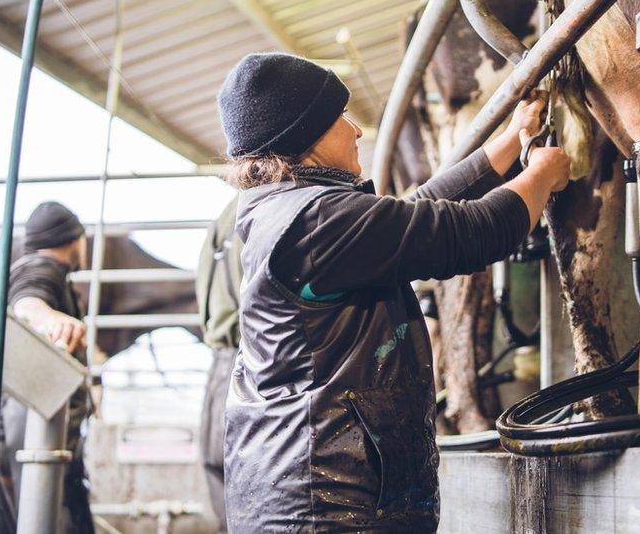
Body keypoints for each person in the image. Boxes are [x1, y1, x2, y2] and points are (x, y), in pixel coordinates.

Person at [218, 53, 570, 532]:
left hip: (311, 497)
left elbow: (412, 213)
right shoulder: (314, 222)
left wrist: (510, 142)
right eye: (339, 117)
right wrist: (544, 174)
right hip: (325, 509)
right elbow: (467, 234)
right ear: (306, 139)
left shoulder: (293, 213)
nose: (356, 129)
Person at [0, 201, 95, 534]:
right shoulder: (43, 269)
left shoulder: (36, 268)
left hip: (28, 435)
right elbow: (27, 303)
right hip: (26, 437)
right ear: (74, 238)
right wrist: (50, 319)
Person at [195, 196, 243, 531]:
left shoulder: (221, 223)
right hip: (248, 363)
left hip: (218, 369)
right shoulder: (264, 211)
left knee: (219, 474)